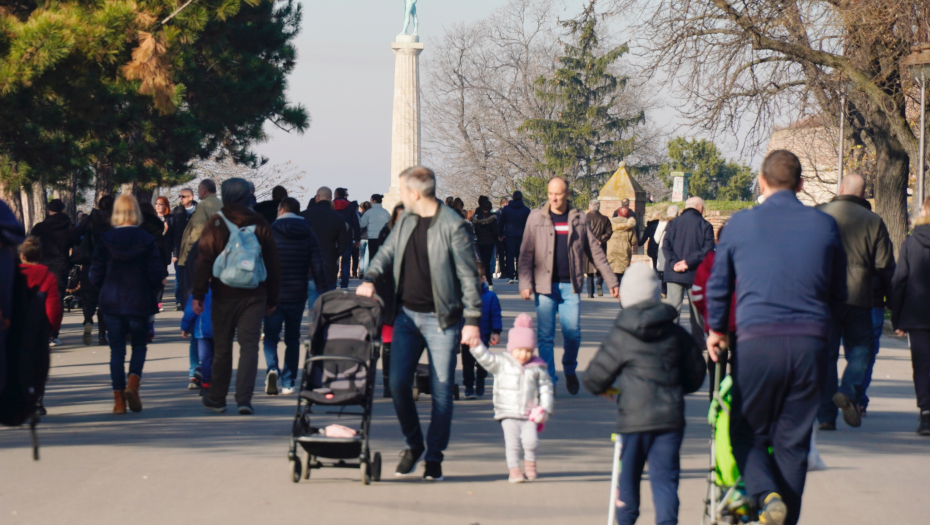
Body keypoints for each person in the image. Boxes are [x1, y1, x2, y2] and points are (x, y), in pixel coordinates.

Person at [706, 150, 847, 525]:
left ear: (762, 182)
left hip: (757, 342)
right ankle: (784, 516)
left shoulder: (738, 225)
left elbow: (719, 286)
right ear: (801, 185)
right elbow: (838, 292)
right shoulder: (825, 225)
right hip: (809, 344)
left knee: (745, 429)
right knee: (793, 442)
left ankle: (765, 495)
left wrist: (717, 332)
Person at [357, 166, 482, 482]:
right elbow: (385, 254)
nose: (399, 196)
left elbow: (469, 277)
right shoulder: (407, 221)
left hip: (443, 320)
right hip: (407, 317)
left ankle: (434, 458)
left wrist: (472, 321)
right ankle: (414, 444)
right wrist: (370, 278)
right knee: (398, 383)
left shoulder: (454, 226)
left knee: (441, 392)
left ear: (414, 193)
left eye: (402, 191)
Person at [583, 264, 707, 525]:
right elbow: (696, 376)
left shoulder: (621, 334)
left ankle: (626, 520)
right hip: (670, 419)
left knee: (628, 480)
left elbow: (593, 378)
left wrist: (608, 387)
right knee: (665, 482)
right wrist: (674, 384)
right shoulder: (676, 333)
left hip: (634, 419)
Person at [518, 177, 619, 394]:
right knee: (545, 335)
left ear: (568, 194)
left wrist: (611, 280)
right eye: (550, 193)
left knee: (572, 333)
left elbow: (595, 252)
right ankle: (548, 381)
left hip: (570, 285)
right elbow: (525, 253)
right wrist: (525, 282)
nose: (554, 198)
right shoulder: (536, 217)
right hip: (544, 286)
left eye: (558, 194)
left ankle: (570, 368)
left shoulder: (579, 219)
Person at [194, 178, 281, 415]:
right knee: (249, 347)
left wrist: (198, 293)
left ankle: (217, 398)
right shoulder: (261, 222)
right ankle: (244, 399)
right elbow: (273, 263)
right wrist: (272, 298)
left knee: (222, 348)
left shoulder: (217, 222)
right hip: (255, 294)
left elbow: (204, 259)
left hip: (223, 293)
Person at [815, 173, 895, 430]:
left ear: (840, 189)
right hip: (859, 296)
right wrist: (890, 300)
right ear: (863, 194)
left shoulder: (820, 213)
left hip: (824, 296)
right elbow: (884, 265)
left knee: (826, 356)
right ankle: (848, 389)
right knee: (862, 348)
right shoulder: (874, 221)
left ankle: (826, 416)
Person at [89, 195, 164, 415]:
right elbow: (155, 273)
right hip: (139, 299)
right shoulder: (146, 239)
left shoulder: (106, 239)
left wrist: (104, 286)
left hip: (112, 301)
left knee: (116, 351)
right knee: (139, 345)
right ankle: (133, 384)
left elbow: (95, 273)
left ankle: (119, 400)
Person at [470, 313, 554, 483]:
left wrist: (545, 408)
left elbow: (546, 388)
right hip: (507, 413)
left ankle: (530, 462)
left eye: (528, 351)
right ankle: (514, 470)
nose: (524, 354)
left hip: (529, 414)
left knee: (531, 441)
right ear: (511, 348)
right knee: (512, 443)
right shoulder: (502, 362)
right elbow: (486, 358)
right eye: (520, 350)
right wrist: (475, 345)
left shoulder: (537, 367)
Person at [264, 197, 326, 396]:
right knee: (293, 338)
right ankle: (288, 382)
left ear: (280, 211)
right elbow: (317, 265)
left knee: (271, 336)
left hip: (273, 293)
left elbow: (261, 262)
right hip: (297, 292)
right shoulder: (308, 233)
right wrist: (324, 292)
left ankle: (272, 368)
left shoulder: (270, 232)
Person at [890, 195, 930, 436]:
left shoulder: (911, 243)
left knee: (922, 364)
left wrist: (898, 318)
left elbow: (899, 282)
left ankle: (926, 412)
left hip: (917, 315)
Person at [19, 236, 63, 414]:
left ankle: (19, 397)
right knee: (38, 364)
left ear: (22, 255)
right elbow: (53, 306)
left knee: (16, 362)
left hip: (16, 325)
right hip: (39, 327)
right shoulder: (47, 276)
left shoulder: (14, 275)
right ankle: (37, 398)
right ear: (40, 255)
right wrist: (53, 326)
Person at [662, 196, 715, 341]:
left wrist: (674, 263)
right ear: (700, 208)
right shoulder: (705, 225)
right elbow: (708, 249)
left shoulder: (673, 223)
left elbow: (665, 246)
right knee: (697, 311)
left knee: (673, 309)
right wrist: (688, 262)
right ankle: (699, 342)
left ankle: (670, 341)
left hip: (673, 272)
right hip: (696, 273)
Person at [71, 195, 114, 346]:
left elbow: (74, 235)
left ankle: (88, 319)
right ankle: (103, 334)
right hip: (109, 265)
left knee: (88, 297)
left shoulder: (90, 219)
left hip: (89, 262)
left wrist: (82, 245)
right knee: (104, 300)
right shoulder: (114, 221)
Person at [29, 198, 72, 345]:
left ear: (48, 210)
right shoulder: (69, 226)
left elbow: (30, 244)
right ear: (62, 210)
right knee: (58, 300)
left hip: (42, 265)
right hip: (61, 265)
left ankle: (42, 332)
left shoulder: (40, 227)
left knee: (40, 299)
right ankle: (54, 334)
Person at [374, 203, 405, 398]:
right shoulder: (386, 233)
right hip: (387, 295)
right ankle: (387, 382)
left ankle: (402, 380)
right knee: (388, 342)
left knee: (406, 343)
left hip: (410, 295)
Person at [178, 180, 221, 307]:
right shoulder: (220, 203)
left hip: (199, 255)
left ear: (203, 190)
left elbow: (197, 231)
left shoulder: (204, 205)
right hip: (215, 253)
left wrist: (190, 251)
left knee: (192, 290)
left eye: (198, 189)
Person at [302, 187, 349, 302]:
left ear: (317, 197)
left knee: (313, 299)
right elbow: (343, 245)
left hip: (309, 265)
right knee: (327, 303)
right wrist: (334, 254)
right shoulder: (338, 218)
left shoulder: (304, 215)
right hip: (329, 263)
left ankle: (314, 319)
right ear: (330, 199)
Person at [462, 262, 501, 399]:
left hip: (483, 337)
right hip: (466, 338)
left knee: (483, 363)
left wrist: (496, 331)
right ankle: (468, 386)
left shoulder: (490, 297)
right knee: (467, 364)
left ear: (482, 278)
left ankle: (480, 380)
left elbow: (495, 315)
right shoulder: (462, 296)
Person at [181, 289, 214, 394]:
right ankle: (213, 380)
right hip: (220, 329)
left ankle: (199, 375)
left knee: (205, 356)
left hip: (202, 329)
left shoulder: (199, 292)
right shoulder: (224, 290)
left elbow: (190, 311)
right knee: (217, 356)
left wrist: (185, 327)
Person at [170, 188, 196, 309]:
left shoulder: (199, 211)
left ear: (191, 197)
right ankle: (179, 300)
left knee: (194, 277)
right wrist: (174, 254)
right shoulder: (176, 211)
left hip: (195, 250)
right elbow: (174, 235)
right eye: (180, 196)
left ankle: (192, 299)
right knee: (179, 278)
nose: (181, 198)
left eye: (183, 196)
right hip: (179, 250)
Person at [498, 191, 531, 283]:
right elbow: (530, 224)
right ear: (521, 198)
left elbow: (501, 223)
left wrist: (501, 234)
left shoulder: (506, 209)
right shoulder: (526, 210)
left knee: (510, 255)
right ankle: (519, 274)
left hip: (509, 234)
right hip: (522, 235)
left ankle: (511, 274)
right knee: (520, 256)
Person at [333, 188, 360, 289]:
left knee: (333, 259)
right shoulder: (350, 206)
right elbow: (355, 223)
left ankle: (333, 282)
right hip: (346, 236)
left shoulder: (331, 205)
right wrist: (357, 238)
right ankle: (344, 283)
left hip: (333, 236)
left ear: (335, 195)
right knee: (346, 260)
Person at [585, 200, 612, 298]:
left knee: (589, 271)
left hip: (588, 246)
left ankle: (590, 293)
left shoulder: (585, 218)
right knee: (600, 267)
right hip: (601, 246)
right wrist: (601, 239)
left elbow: (582, 232)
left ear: (590, 207)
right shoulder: (605, 219)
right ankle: (599, 283)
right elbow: (609, 232)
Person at [471, 196, 499, 290]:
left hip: (480, 241)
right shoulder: (492, 219)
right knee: (487, 262)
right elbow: (495, 231)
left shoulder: (476, 218)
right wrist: (496, 238)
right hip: (490, 242)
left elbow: (473, 229)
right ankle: (490, 282)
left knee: (481, 261)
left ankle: (481, 281)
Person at [606, 207, 637, 287]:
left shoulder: (610, 223)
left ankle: (615, 285)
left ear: (618, 213)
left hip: (611, 248)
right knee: (623, 269)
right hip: (624, 250)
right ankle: (621, 287)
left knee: (613, 267)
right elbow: (633, 241)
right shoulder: (630, 226)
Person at [360, 194, 391, 261]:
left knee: (372, 258)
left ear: (374, 201)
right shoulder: (386, 212)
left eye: (370, 200)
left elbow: (362, 224)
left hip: (372, 238)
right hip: (383, 238)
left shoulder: (368, 212)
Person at [495, 197, 509, 279]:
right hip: (508, 236)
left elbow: (497, 225)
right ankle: (508, 271)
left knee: (501, 256)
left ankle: (503, 272)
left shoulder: (497, 213)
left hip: (499, 237)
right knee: (508, 255)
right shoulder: (509, 212)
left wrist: (499, 235)